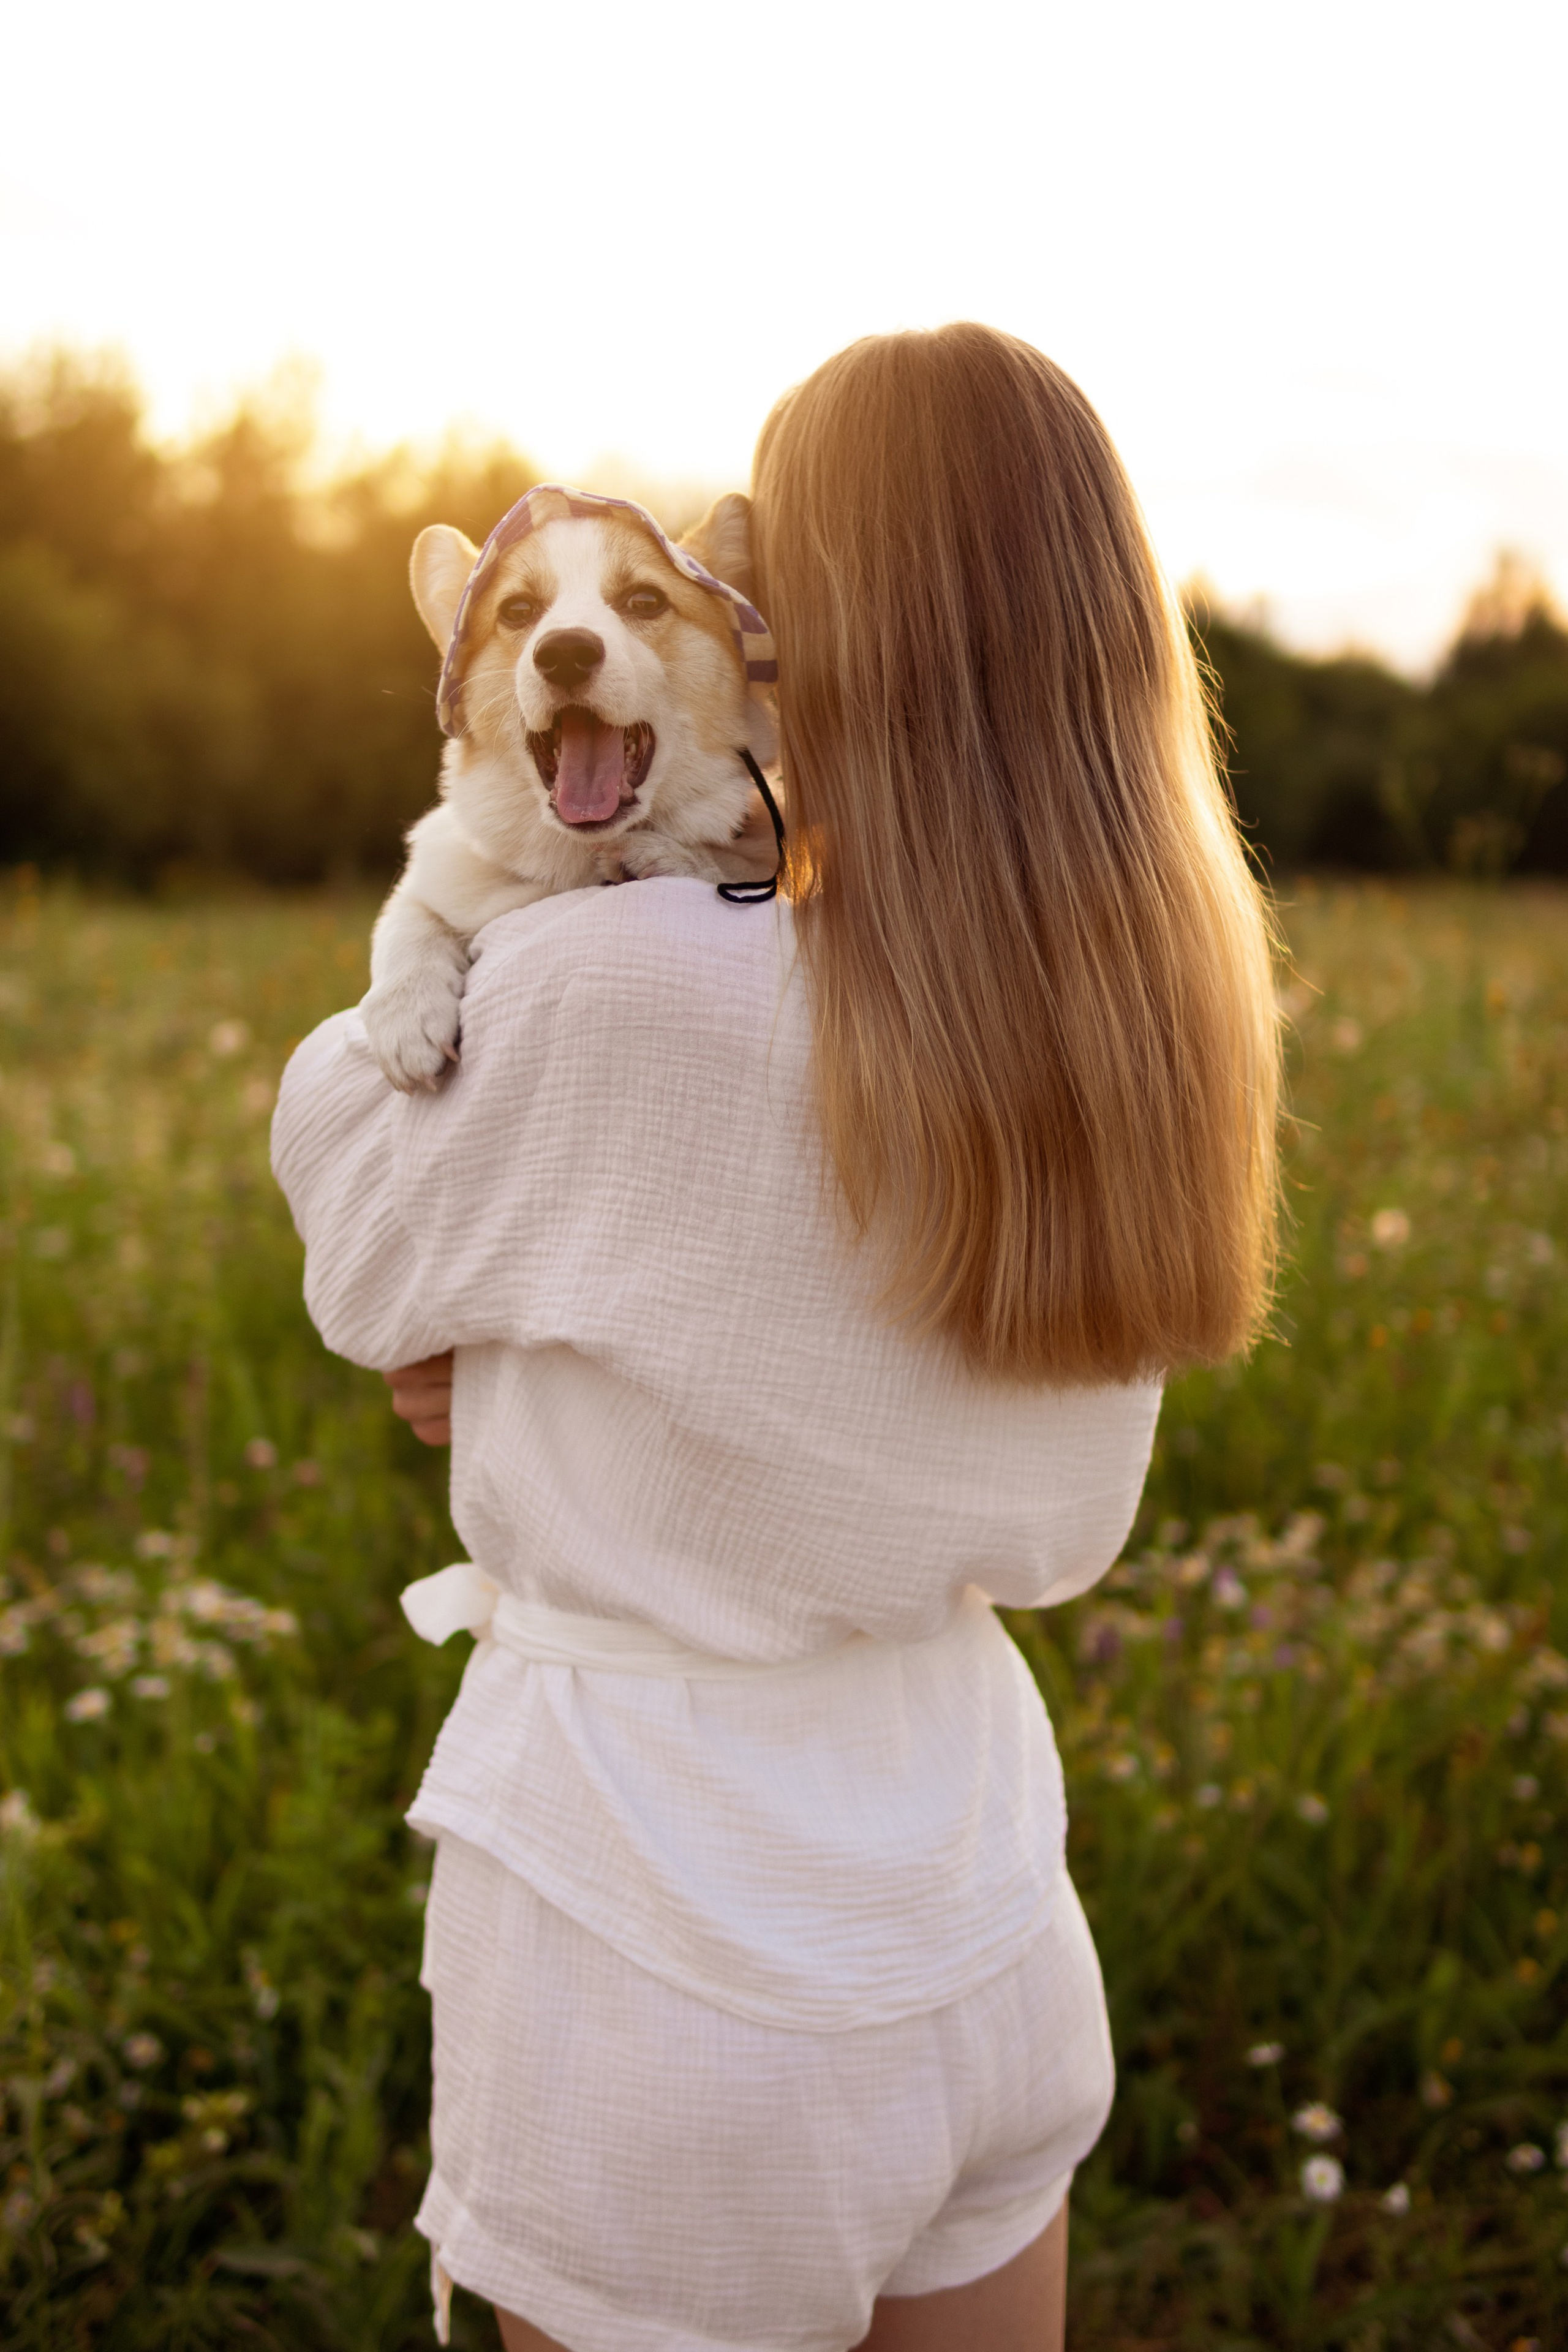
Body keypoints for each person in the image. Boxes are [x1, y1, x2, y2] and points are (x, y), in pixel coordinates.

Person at [273, 323, 1279, 2352]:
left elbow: (361, 1227)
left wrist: (509, 1336)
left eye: (749, 573)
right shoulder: (1146, 1023)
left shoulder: (608, 988)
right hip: (977, 1894)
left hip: (671, 1927)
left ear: (808, 635)